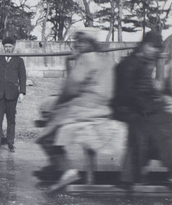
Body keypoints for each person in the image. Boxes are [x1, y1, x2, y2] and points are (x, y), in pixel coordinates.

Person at [35, 30, 126, 191]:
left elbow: (70, 89)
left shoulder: (85, 59)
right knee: (52, 115)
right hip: (103, 109)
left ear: (88, 44)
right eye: (76, 42)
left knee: (46, 134)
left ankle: (66, 169)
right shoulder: (108, 60)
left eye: (80, 42)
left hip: (82, 109)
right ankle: (57, 168)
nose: (77, 45)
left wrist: (57, 105)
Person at [112, 31, 172, 188]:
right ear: (143, 45)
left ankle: (141, 171)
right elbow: (127, 93)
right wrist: (149, 107)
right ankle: (132, 176)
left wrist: (159, 101)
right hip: (125, 107)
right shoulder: (129, 64)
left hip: (139, 107)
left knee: (166, 121)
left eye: (157, 48)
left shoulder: (143, 64)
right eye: (152, 47)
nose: (155, 51)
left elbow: (148, 89)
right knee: (150, 126)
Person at [0, 36, 26, 152]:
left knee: (11, 119)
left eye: (10, 47)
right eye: (6, 47)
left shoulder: (19, 60)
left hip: (12, 94)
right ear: (3, 47)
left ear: (13, 47)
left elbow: (23, 77)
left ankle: (10, 143)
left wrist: (22, 92)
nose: (8, 49)